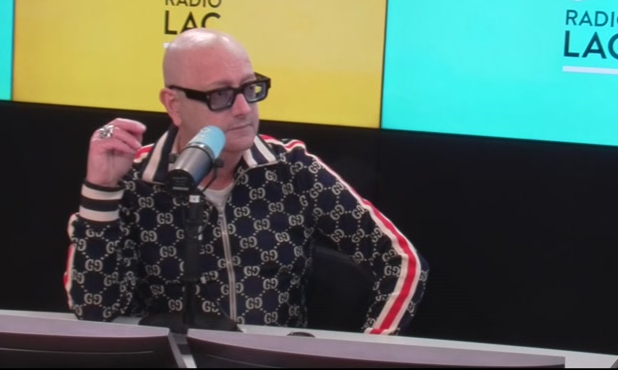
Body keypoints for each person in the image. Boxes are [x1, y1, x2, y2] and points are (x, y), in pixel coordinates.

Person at [64, 28, 429, 335]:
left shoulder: (292, 169)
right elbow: (95, 311)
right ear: (173, 104)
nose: (243, 109)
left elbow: (403, 263)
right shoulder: (132, 180)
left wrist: (370, 349)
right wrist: (101, 190)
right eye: (220, 95)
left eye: (250, 89)